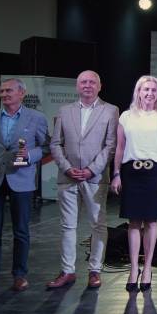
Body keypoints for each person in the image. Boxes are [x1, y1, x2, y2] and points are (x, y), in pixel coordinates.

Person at [0, 78, 48, 292]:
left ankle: (20, 275)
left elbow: (46, 147)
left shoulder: (36, 118)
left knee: (21, 231)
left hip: (21, 179)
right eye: (2, 91)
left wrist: (29, 156)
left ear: (21, 93)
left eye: (9, 91)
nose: (4, 94)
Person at [47, 70, 119, 289]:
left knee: (98, 224)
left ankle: (95, 270)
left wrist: (91, 170)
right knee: (67, 226)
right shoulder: (64, 110)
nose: (87, 85)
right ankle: (67, 271)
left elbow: (111, 145)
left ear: (100, 86)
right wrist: (67, 168)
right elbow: (55, 144)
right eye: (83, 82)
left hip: (95, 177)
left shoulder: (111, 110)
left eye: (92, 82)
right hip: (67, 177)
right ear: (77, 86)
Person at [110, 76, 157, 292]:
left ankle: (147, 268)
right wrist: (116, 174)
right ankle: (133, 268)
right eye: (146, 89)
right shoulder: (126, 117)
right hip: (131, 173)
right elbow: (120, 148)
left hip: (155, 172)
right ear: (138, 92)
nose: (149, 93)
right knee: (134, 222)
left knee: (152, 222)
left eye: (154, 90)